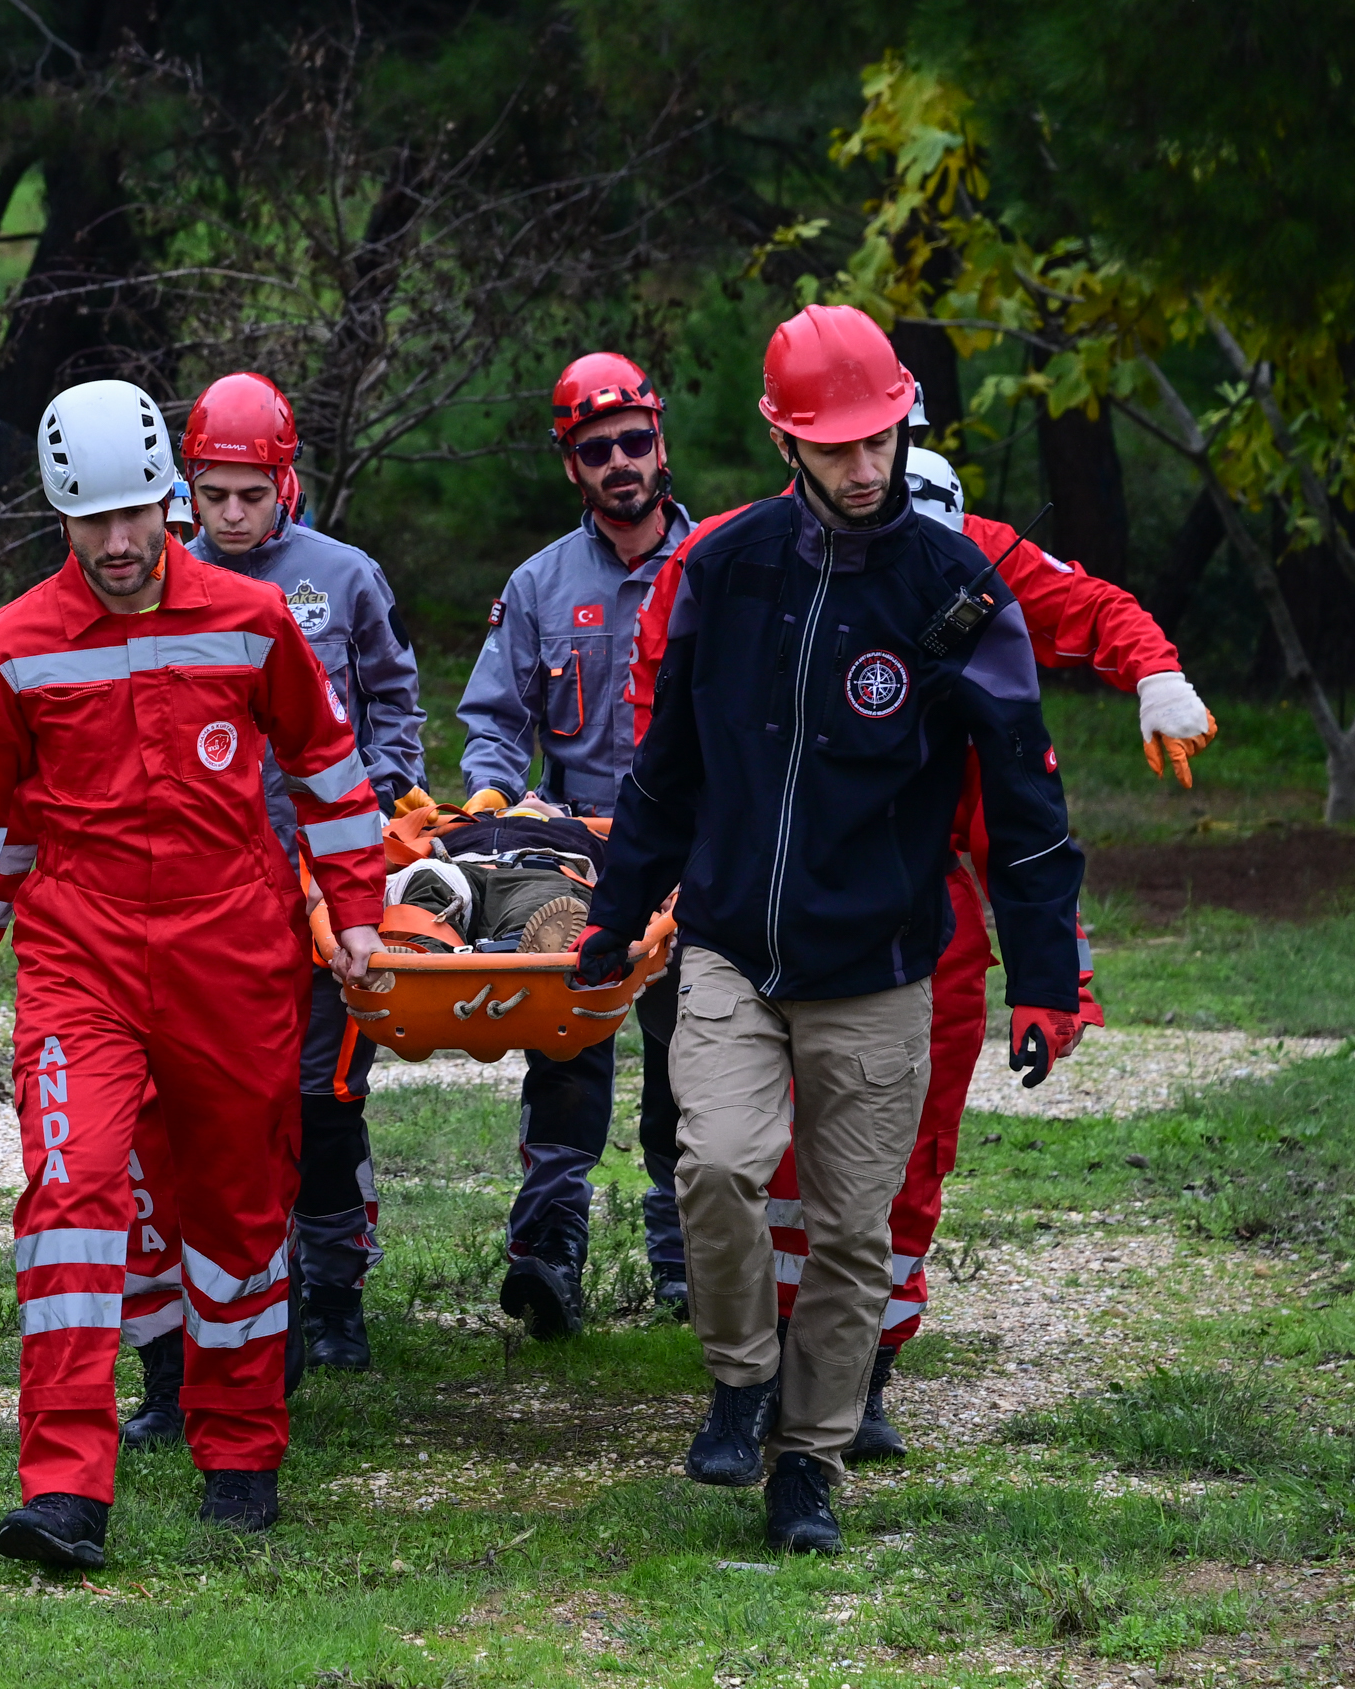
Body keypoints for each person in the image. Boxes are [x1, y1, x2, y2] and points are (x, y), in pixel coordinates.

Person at [573, 304, 1085, 1555]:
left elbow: (1024, 793)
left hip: (880, 966)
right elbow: (667, 768)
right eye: (839, 445)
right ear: (786, 441)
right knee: (714, 1166)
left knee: (856, 1232)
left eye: (883, 438)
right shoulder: (727, 568)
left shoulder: (957, 590)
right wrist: (616, 916)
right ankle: (743, 1374)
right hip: (734, 948)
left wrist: (1044, 975)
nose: (866, 466)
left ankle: (808, 1465)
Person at [0, 376, 389, 1563]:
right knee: (72, 1192)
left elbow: (325, 762)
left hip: (235, 954)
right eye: (91, 519)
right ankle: (65, 1485)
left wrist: (358, 911)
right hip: (83, 959)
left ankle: (241, 1444)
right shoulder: (14, 645)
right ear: (59, 516)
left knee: (237, 1208)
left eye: (137, 515)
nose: (119, 544)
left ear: (168, 499)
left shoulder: (253, 621)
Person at [627, 437, 1212, 1461]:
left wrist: (1155, 674)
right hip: (768, 883)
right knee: (749, 1152)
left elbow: (1033, 814)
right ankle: (761, 1378)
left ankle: (862, 1375)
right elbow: (666, 707)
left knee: (895, 1168)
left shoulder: (973, 564)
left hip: (919, 894)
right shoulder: (743, 556)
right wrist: (679, 867)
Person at [454, 352, 701, 1334]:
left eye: (635, 440)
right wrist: (492, 797)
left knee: (696, 1060)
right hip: (577, 859)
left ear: (661, 440)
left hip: (693, 855)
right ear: (572, 466)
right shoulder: (539, 585)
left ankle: (689, 1262)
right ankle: (548, 1252)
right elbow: (495, 717)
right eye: (595, 450)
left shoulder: (717, 564)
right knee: (567, 1052)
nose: (620, 463)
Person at [183, 374, 423, 1379]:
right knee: (230, 1102)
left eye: (250, 492)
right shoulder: (158, 579)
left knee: (324, 1101)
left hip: (330, 884)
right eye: (213, 493)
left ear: (286, 479)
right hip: (213, 889)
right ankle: (246, 1301)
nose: (233, 514)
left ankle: (334, 1289)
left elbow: (394, 698)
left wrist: (393, 796)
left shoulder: (344, 576)